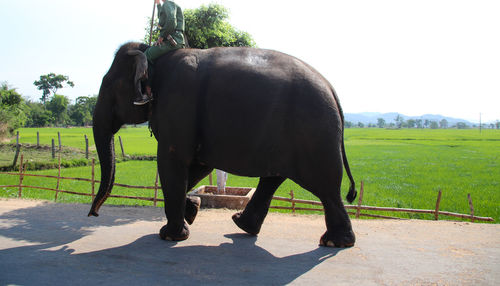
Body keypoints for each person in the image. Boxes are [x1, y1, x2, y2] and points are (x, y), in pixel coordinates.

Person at [134, 0, 186, 105]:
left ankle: (148, 93)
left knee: (146, 56)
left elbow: (171, 20)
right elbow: (162, 20)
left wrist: (162, 36)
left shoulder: (168, 3)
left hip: (173, 40)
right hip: (175, 39)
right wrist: (158, 5)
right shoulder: (167, 5)